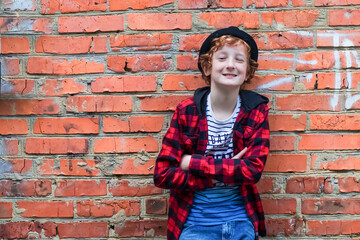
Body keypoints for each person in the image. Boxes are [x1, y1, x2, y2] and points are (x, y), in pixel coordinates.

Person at [154, 26, 270, 240]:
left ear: (248, 72)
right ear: (207, 68)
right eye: (222, 58)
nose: (230, 65)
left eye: (239, 60)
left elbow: (252, 171)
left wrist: (192, 163)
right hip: (194, 223)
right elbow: (162, 174)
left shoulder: (256, 112)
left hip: (240, 221)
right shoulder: (187, 112)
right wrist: (216, 176)